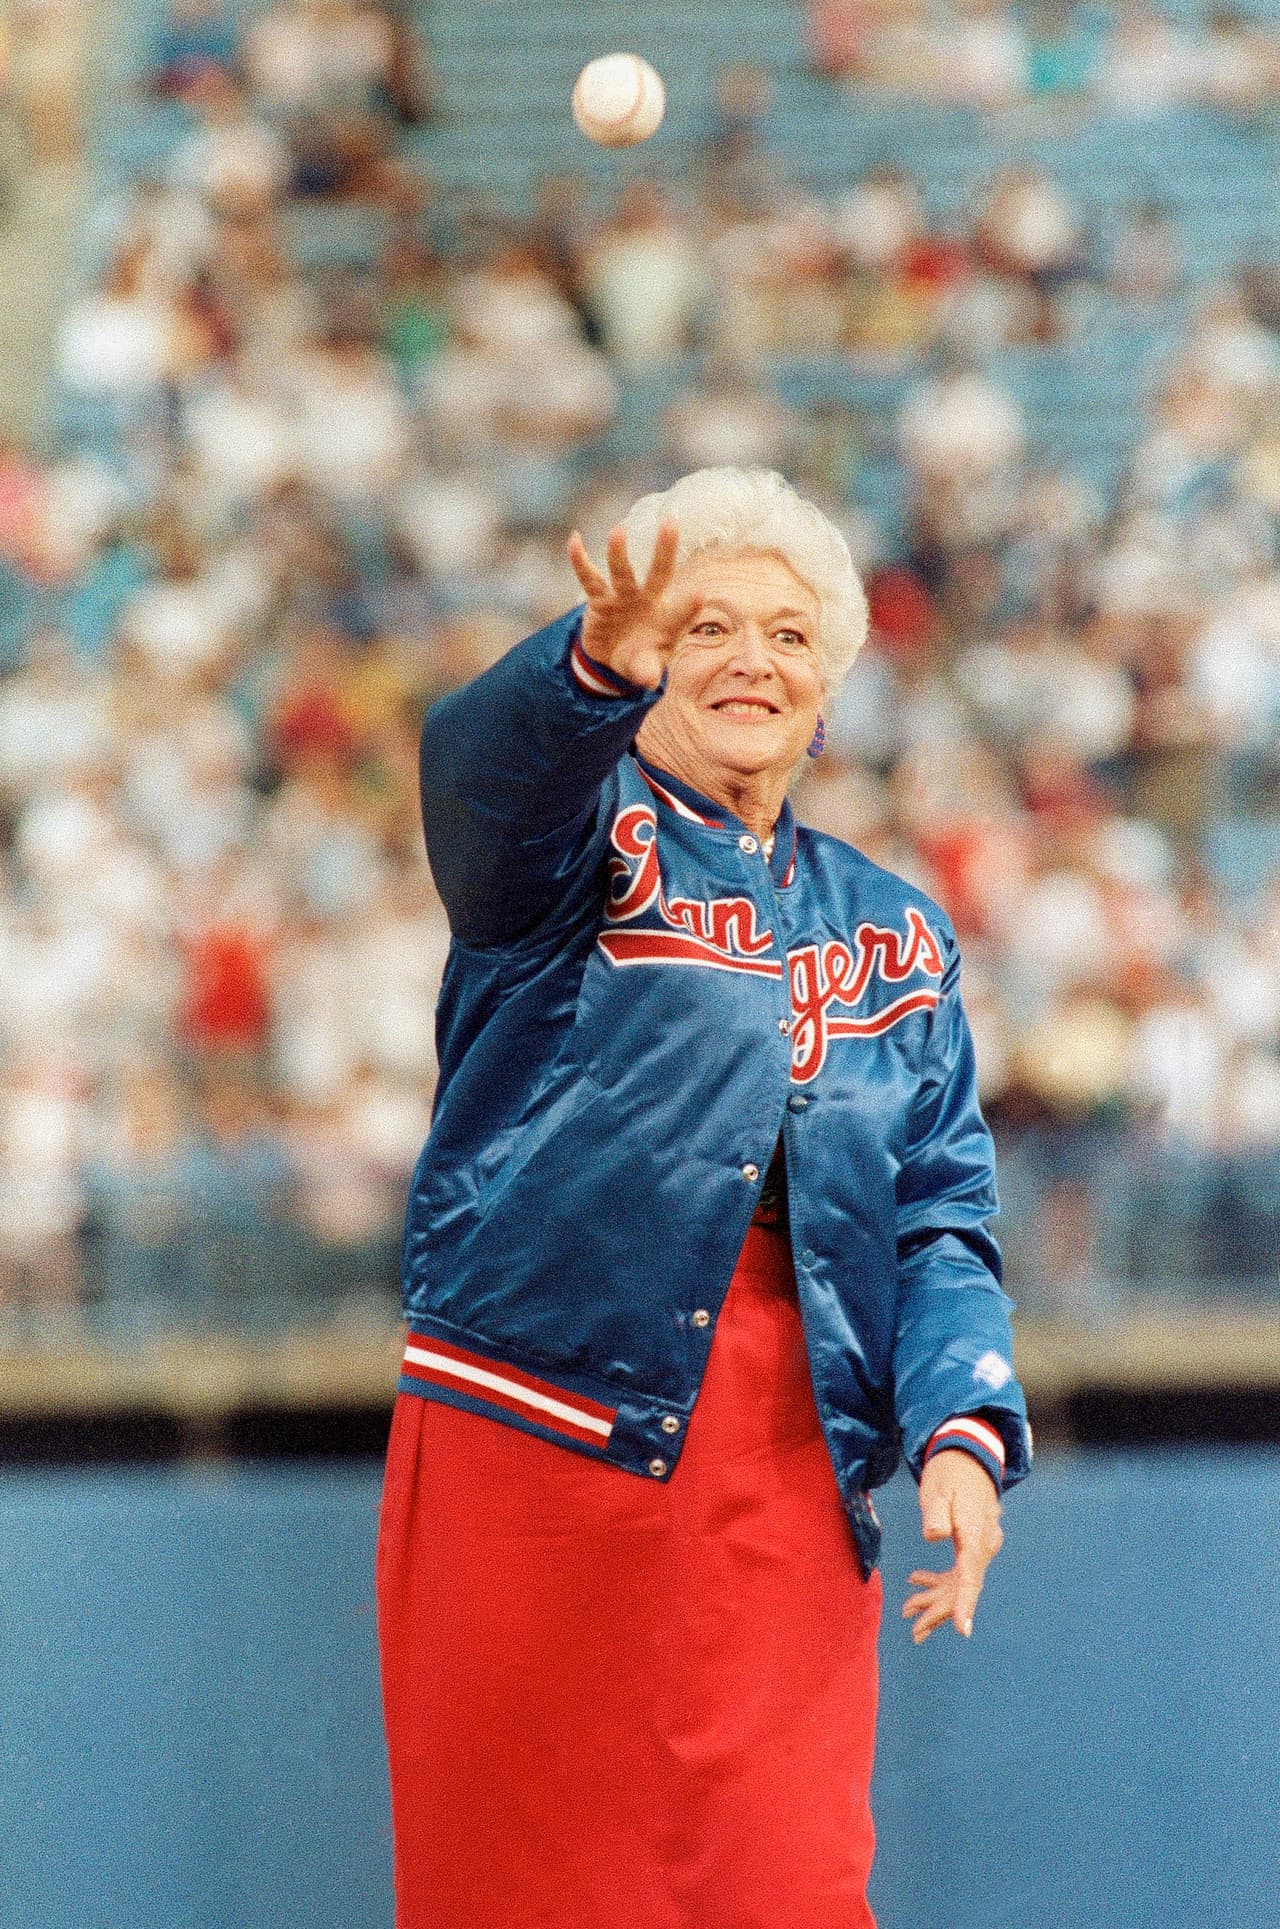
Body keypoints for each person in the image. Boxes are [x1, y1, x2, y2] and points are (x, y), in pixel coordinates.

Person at [376, 465, 1031, 1929]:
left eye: (792, 637)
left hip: (795, 1452)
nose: (752, 658)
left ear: (831, 694)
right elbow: (480, 780)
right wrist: (587, 663)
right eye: (711, 626)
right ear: (651, 659)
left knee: (787, 1885)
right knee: (527, 1888)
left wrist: (962, 1427)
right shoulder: (564, 844)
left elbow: (939, 1212)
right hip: (542, 1436)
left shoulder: (895, 929)